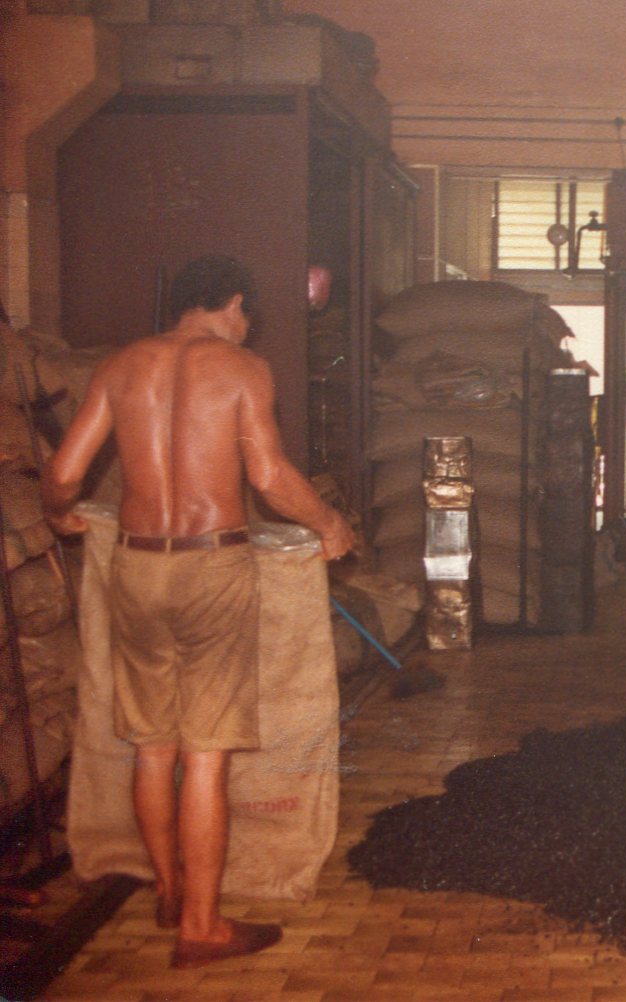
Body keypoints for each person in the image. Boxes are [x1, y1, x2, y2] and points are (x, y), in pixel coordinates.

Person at [42, 255, 356, 969]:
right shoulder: (242, 370)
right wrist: (330, 526)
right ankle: (203, 927)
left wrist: (59, 514)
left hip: (135, 564)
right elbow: (270, 478)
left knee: (153, 747)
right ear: (232, 302)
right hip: (210, 566)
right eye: (248, 316)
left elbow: (63, 471)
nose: (247, 329)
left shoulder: (121, 366)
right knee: (205, 755)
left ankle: (168, 892)